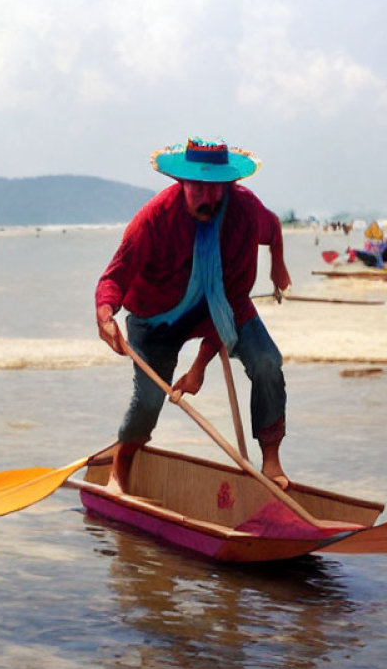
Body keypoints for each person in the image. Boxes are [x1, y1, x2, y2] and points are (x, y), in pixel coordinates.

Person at [95, 136, 291, 495]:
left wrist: (278, 266)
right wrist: (105, 316)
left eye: (217, 188)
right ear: (182, 183)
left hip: (219, 306)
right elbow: (114, 277)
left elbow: (268, 236)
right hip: (156, 318)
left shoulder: (244, 211)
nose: (209, 198)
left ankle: (271, 460)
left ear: (229, 186)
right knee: (150, 399)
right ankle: (120, 469)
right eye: (198, 187)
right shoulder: (154, 219)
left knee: (267, 363)